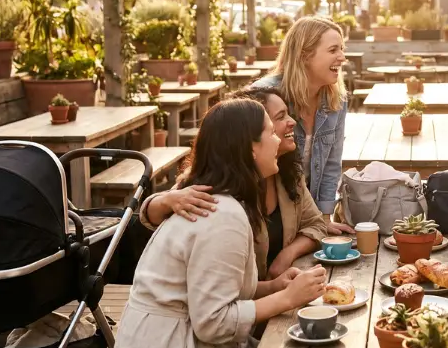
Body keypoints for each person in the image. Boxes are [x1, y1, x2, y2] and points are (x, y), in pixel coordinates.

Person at [112, 99, 328, 348]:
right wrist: (287, 298)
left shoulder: (217, 202)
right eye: (269, 132)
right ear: (250, 149)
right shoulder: (222, 215)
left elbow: (211, 292)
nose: (275, 140)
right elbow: (213, 322)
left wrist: (272, 287)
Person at [137, 87, 332, 279]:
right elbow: (153, 218)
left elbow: (315, 224)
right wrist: (166, 201)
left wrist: (286, 256)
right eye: (280, 118)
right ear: (247, 136)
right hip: (233, 301)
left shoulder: (288, 173)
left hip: (262, 293)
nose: (292, 122)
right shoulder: (216, 185)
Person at [253, 16, 350, 234]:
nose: (342, 57)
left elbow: (332, 164)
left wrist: (323, 219)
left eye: (342, 49)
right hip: (269, 219)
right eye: (333, 49)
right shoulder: (266, 96)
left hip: (309, 216)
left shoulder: (337, 99)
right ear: (305, 55)